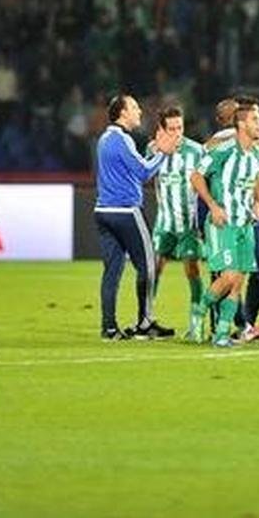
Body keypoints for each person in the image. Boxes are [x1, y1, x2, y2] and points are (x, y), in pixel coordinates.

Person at [94, 94, 178, 341]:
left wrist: (153, 152)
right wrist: (163, 153)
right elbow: (143, 172)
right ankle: (145, 322)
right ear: (122, 113)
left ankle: (109, 328)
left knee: (112, 272)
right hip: (126, 211)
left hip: (103, 211)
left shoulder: (104, 138)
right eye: (134, 107)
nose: (139, 111)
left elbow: (128, 169)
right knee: (149, 266)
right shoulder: (122, 139)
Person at [188, 101, 259, 347]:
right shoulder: (223, 150)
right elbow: (195, 176)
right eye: (256, 120)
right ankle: (198, 313)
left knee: (237, 282)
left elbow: (258, 188)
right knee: (228, 276)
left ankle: (222, 333)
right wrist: (213, 205)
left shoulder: (257, 154)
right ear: (242, 123)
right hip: (222, 224)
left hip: (246, 225)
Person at [147, 107, 206, 334]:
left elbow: (206, 183)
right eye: (171, 128)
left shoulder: (197, 151)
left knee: (192, 269)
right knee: (154, 269)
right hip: (164, 222)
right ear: (162, 128)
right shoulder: (153, 149)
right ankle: (147, 317)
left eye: (179, 127)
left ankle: (195, 322)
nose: (176, 133)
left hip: (188, 224)